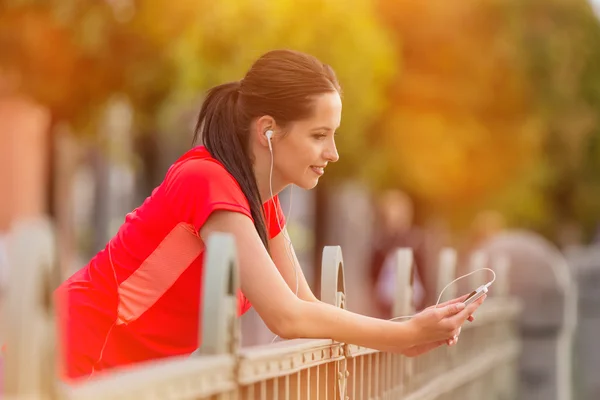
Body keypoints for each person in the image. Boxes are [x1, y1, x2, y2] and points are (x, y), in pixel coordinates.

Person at [55, 49, 485, 380]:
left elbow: (306, 305)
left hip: (129, 378)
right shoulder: (206, 182)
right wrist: (406, 337)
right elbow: (286, 316)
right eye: (319, 135)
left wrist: (408, 328)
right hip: (75, 364)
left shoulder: (260, 201)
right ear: (268, 130)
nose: (333, 154)